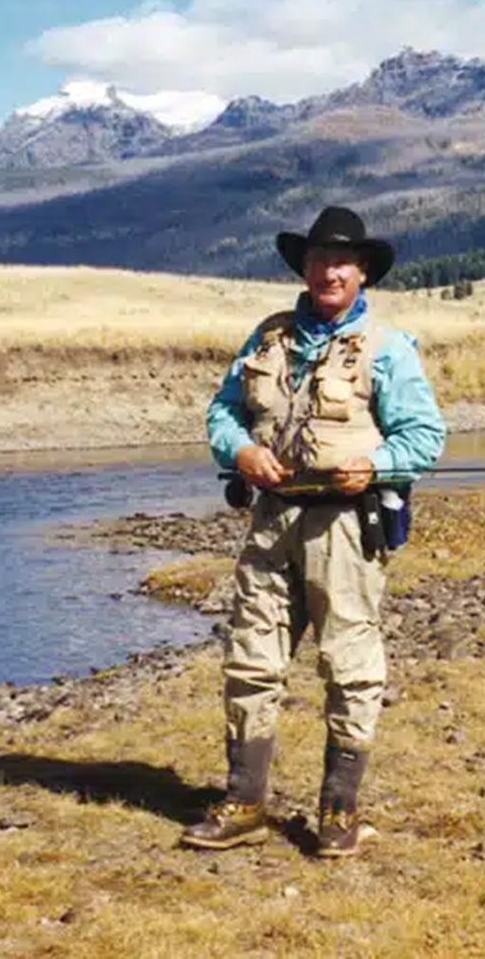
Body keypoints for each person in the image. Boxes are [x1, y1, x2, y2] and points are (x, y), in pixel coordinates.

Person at [181, 206, 446, 857]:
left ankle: (338, 813)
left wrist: (377, 465)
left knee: (350, 666)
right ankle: (244, 802)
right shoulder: (266, 338)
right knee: (250, 658)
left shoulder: (389, 349)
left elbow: (425, 436)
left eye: (343, 261)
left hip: (347, 530)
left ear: (362, 274)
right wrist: (239, 452)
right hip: (270, 524)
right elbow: (223, 412)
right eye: (319, 258)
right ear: (304, 266)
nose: (330, 270)